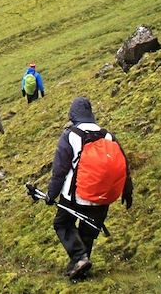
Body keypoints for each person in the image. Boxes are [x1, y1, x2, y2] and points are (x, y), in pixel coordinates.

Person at [44, 97, 133, 279]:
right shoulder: (108, 136)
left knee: (62, 224)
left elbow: (59, 171)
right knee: (88, 231)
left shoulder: (70, 135)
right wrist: (127, 190)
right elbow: (123, 166)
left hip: (75, 195)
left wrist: (51, 194)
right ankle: (79, 268)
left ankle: (79, 258)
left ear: (72, 114)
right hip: (103, 197)